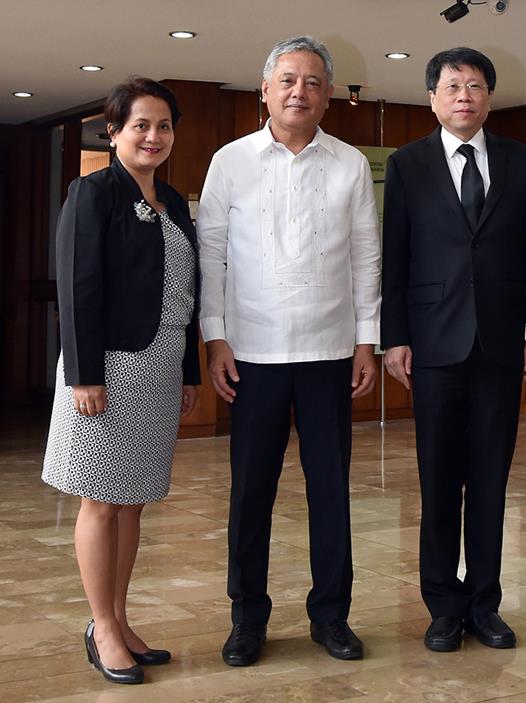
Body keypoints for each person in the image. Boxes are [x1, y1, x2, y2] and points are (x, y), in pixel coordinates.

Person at [197, 36, 380, 665]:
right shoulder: (230, 161)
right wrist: (215, 336)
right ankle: (247, 618)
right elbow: (212, 255)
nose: (299, 92)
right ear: (266, 91)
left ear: (328, 94)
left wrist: (366, 339)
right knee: (251, 492)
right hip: (250, 354)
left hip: (330, 352)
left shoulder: (351, 164)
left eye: (312, 82)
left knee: (331, 490)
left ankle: (331, 616)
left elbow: (366, 257)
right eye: (287, 81)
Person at [381, 47, 526, 652]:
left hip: (502, 344)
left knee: (490, 480)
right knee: (438, 478)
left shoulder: (516, 160)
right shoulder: (407, 164)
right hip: (431, 344)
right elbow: (395, 257)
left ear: (488, 97)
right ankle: (442, 605)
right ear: (433, 97)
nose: (464, 96)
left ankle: (485, 603)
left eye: (476, 86)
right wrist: (393, 335)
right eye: (452, 86)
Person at [42, 77, 200, 685]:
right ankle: (100, 625)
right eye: (141, 125)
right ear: (114, 134)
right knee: (101, 501)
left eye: (164, 126)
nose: (154, 137)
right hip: (106, 370)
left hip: (158, 367)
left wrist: (186, 369)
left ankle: (120, 617)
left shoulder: (175, 201)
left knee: (133, 501)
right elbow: (77, 287)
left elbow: (186, 291)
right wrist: (82, 374)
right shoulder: (93, 193)